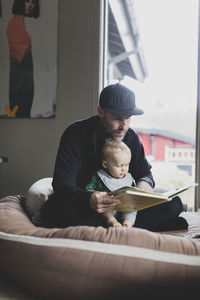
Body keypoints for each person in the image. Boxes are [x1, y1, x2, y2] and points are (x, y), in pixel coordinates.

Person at [41, 83, 188, 231]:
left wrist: (144, 183)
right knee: (52, 211)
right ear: (101, 112)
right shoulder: (75, 133)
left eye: (128, 118)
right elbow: (62, 183)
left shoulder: (131, 137)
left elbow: (145, 173)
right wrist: (89, 199)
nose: (123, 126)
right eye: (117, 118)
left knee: (174, 203)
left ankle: (119, 224)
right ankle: (144, 225)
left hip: (125, 209)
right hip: (87, 206)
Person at [85, 139, 137, 228]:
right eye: (119, 165)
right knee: (104, 208)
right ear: (105, 164)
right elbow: (89, 190)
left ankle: (127, 223)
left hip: (125, 205)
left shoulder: (129, 177)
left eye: (126, 164)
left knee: (133, 209)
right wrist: (95, 194)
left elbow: (134, 191)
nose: (123, 169)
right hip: (108, 206)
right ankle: (112, 221)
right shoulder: (99, 177)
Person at [7, 0, 40, 118]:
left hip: (23, 77)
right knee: (21, 110)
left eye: (33, 2)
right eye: (27, 1)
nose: (30, 5)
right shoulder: (16, 23)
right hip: (20, 79)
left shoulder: (25, 23)